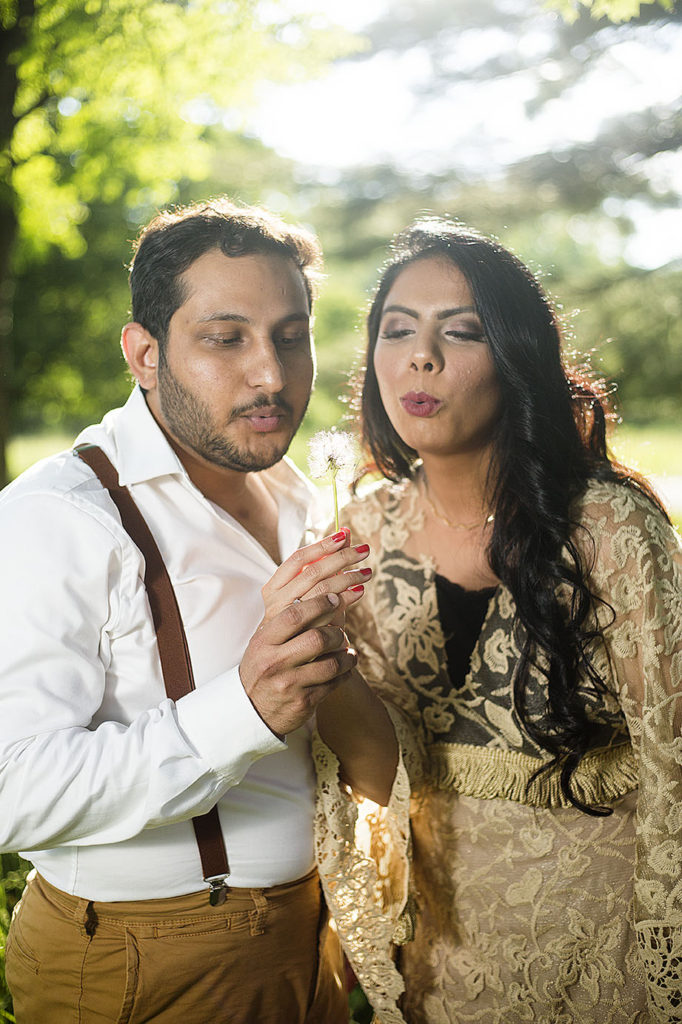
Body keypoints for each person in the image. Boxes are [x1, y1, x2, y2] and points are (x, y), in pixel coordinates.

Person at [0, 197, 392, 1024]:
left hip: (314, 938)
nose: (272, 376)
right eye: (226, 339)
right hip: (148, 959)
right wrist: (243, 710)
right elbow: (12, 792)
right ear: (144, 354)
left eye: (292, 336)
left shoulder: (298, 498)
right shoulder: (61, 516)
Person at [313, 218, 682, 1024]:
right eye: (397, 329)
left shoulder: (609, 530)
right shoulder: (360, 537)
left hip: (604, 961)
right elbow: (378, 775)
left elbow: (675, 768)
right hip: (443, 966)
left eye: (462, 331)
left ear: (515, 358)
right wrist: (324, 668)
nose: (421, 357)